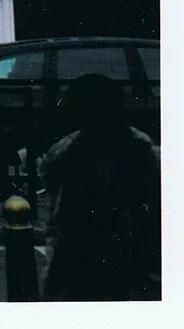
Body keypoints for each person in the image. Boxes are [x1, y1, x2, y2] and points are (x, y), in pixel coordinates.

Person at [38, 73, 161, 300]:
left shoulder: (67, 150)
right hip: (128, 250)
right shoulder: (141, 147)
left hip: (81, 249)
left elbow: (50, 181)